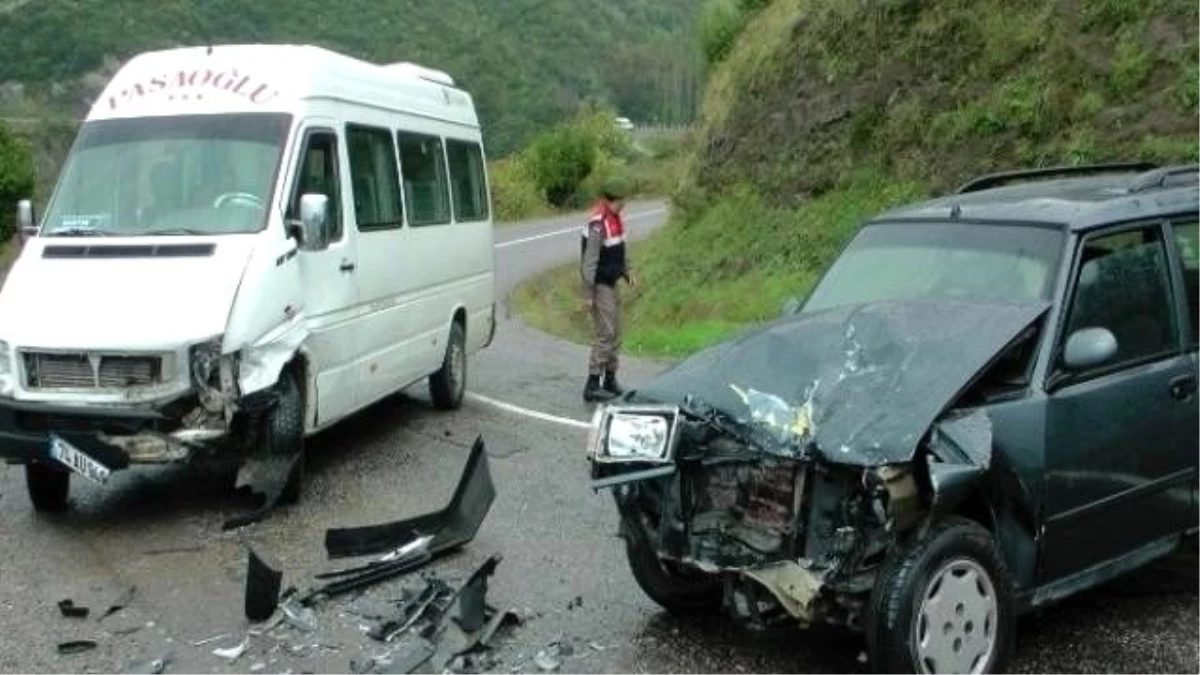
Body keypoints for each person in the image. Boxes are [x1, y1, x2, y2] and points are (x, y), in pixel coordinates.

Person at [580, 177, 637, 402]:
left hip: (612, 281)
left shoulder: (616, 220)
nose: (622, 205)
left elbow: (621, 250)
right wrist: (587, 294)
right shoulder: (597, 224)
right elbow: (589, 262)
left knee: (617, 331)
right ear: (609, 200)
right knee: (605, 333)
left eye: (622, 201)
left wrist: (628, 271)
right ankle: (592, 383)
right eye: (619, 201)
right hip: (599, 284)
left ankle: (610, 379)